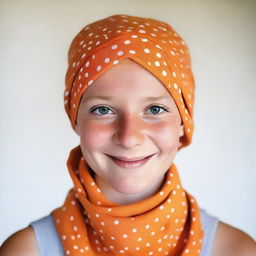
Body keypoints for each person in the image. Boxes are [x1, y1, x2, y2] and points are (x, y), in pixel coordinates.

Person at [1, 14, 255, 256]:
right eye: (103, 110)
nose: (129, 137)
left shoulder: (237, 250)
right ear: (76, 119)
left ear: (183, 122)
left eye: (155, 109)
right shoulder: (25, 251)